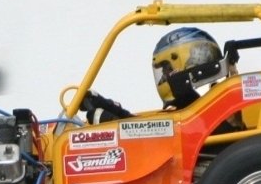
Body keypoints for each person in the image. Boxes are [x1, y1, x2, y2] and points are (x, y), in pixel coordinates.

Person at [80, 26, 238, 125]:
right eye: (161, 69)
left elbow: (202, 126)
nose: (164, 75)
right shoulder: (187, 109)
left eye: (167, 67)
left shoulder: (220, 103)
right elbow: (152, 128)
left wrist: (115, 123)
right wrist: (114, 112)